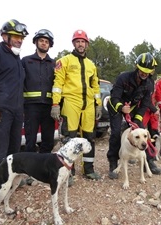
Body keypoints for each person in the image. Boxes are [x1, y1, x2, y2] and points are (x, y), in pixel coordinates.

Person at [0, 19, 29, 202]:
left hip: (16, 112)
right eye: (16, 36)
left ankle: (7, 181)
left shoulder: (17, 60)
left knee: (13, 151)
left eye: (21, 37)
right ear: (4, 36)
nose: (19, 40)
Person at [50, 29, 102, 181]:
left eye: (83, 42)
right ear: (73, 43)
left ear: (87, 44)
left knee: (89, 138)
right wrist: (55, 103)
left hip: (89, 105)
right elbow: (58, 83)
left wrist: (98, 104)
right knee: (69, 138)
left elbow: (95, 86)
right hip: (71, 102)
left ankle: (89, 169)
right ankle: (68, 172)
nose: (80, 44)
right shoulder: (64, 61)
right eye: (78, 41)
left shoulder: (91, 64)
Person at [107, 52, 161, 179]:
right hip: (116, 106)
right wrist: (121, 108)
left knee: (142, 131)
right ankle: (113, 161)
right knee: (115, 133)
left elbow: (146, 103)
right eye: (142, 71)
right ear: (137, 68)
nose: (144, 74)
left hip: (132, 108)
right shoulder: (123, 78)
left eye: (147, 72)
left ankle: (148, 161)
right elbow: (114, 97)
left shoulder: (149, 83)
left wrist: (137, 118)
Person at [22, 29, 55, 154]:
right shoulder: (26, 61)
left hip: (49, 107)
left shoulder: (54, 63)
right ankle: (30, 170)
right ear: (36, 42)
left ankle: (43, 168)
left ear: (50, 45)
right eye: (41, 40)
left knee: (48, 141)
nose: (44, 43)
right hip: (31, 107)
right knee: (30, 140)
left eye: (46, 41)